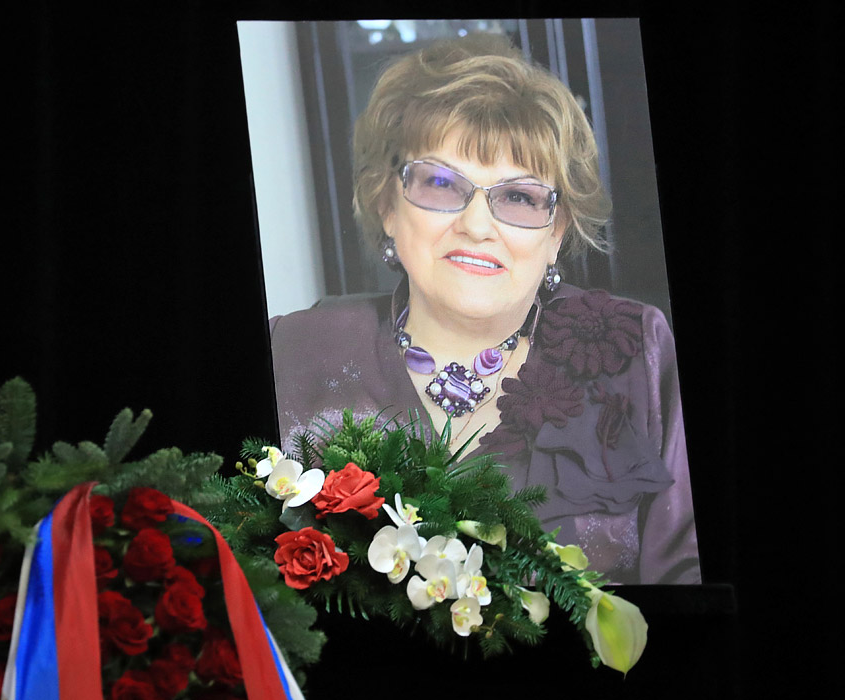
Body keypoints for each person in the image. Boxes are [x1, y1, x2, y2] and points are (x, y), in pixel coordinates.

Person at [269, 35, 699, 585]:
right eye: (441, 184)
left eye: (518, 197)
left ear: (557, 232)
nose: (476, 226)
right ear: (386, 206)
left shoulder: (635, 349)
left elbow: (691, 577)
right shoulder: (291, 351)